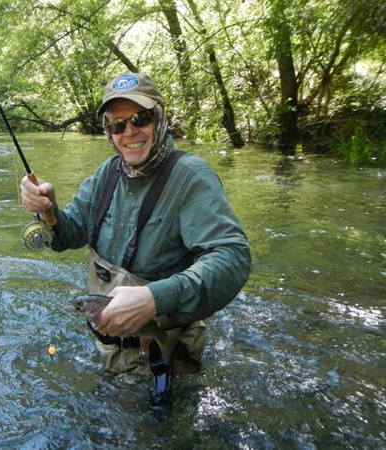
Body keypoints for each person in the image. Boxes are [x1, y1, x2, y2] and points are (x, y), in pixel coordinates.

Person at [20, 73, 251, 407]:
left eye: (139, 119)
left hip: (165, 357)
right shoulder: (106, 175)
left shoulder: (192, 177)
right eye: (117, 125)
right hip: (109, 350)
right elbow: (68, 235)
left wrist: (153, 299)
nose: (129, 132)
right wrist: (50, 212)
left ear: (159, 119)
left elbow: (234, 257)